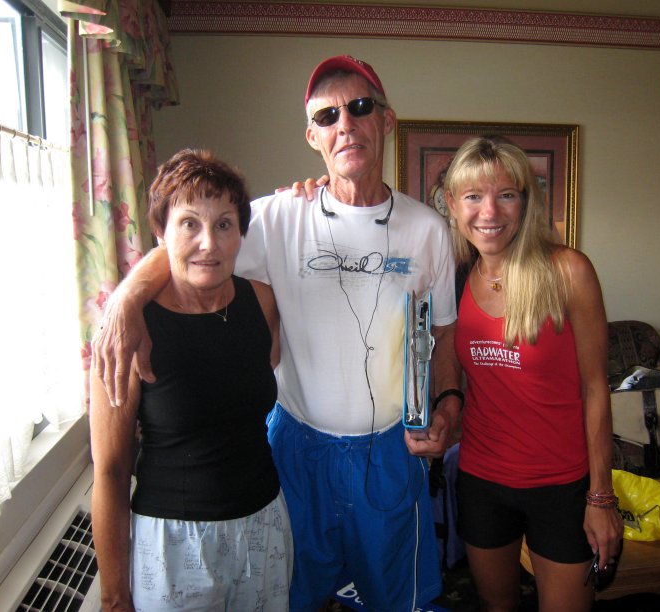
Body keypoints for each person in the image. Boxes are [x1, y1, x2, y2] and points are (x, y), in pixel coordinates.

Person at [91, 56, 462, 612]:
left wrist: (449, 408)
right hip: (295, 450)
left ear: (385, 121)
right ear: (312, 135)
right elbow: (190, 244)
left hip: (388, 452)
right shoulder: (277, 216)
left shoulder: (429, 231)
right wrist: (125, 297)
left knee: (400, 601)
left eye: (360, 108)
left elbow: (444, 338)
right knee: (293, 598)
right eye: (328, 114)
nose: (346, 124)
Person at [89, 149, 292, 612]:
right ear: (160, 232)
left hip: (263, 526)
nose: (209, 243)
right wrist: (114, 595)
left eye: (224, 224)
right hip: (172, 544)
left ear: (241, 232)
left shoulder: (261, 302)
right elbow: (112, 472)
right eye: (189, 224)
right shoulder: (125, 330)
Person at [443, 136, 623, 612]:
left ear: (526, 201)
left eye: (506, 194)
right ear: (452, 204)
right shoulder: (455, 277)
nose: (490, 212)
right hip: (482, 480)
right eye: (473, 196)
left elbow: (595, 388)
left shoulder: (568, 271)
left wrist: (601, 498)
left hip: (562, 485)